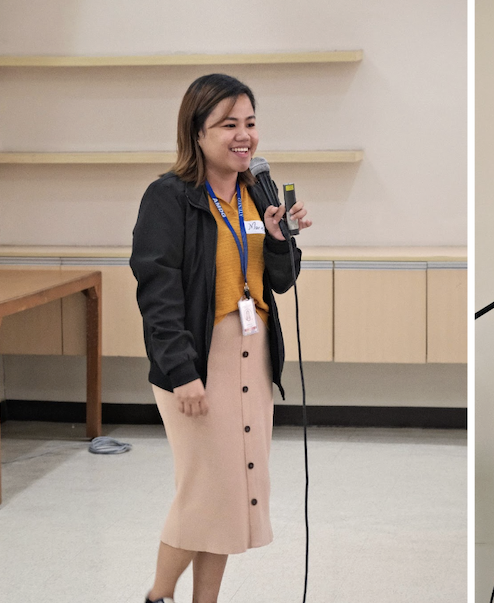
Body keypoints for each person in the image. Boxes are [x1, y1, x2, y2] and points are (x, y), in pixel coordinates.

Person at [130, 73, 311, 603]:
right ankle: (158, 596)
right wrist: (181, 370)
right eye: (228, 123)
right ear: (197, 131)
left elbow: (280, 280)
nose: (244, 136)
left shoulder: (258, 191)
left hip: (252, 356)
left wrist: (280, 241)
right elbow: (156, 289)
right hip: (198, 357)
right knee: (204, 492)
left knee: (234, 493)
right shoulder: (169, 197)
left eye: (250, 123)